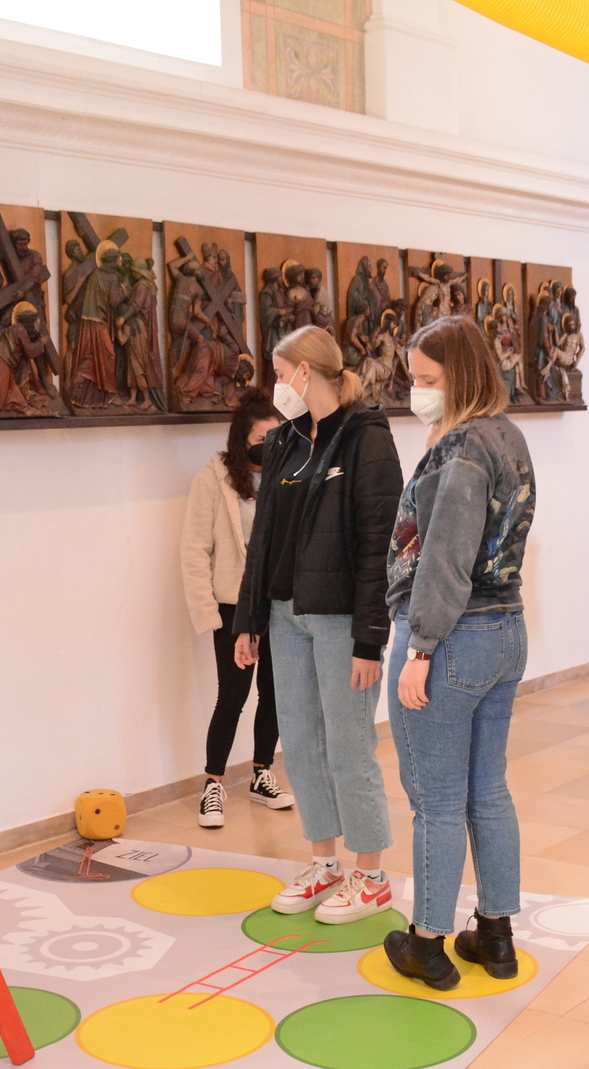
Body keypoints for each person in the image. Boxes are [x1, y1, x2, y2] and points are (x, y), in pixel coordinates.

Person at [382, 315, 536, 991]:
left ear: (462, 375)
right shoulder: (506, 435)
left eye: (427, 379)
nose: (416, 391)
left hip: (452, 638)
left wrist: (420, 648)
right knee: (487, 790)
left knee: (438, 801)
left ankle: (427, 944)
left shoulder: (463, 448)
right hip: (505, 631)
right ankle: (495, 935)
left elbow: (444, 555)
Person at [234, 326, 402, 923]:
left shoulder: (367, 440)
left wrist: (369, 639)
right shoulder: (284, 441)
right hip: (286, 615)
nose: (276, 386)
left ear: (306, 372)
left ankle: (370, 874)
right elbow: (263, 541)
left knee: (349, 746)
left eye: (281, 375)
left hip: (340, 622)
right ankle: (324, 863)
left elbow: (380, 547)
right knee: (301, 743)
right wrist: (249, 619)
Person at [182, 392, 294, 829]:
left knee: (275, 693)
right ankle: (213, 783)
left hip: (279, 604)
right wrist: (208, 613)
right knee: (232, 695)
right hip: (232, 606)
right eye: (263, 438)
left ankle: (261, 773)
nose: (271, 446)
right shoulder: (212, 481)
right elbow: (195, 550)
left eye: (277, 437)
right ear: (241, 439)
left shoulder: (287, 477)